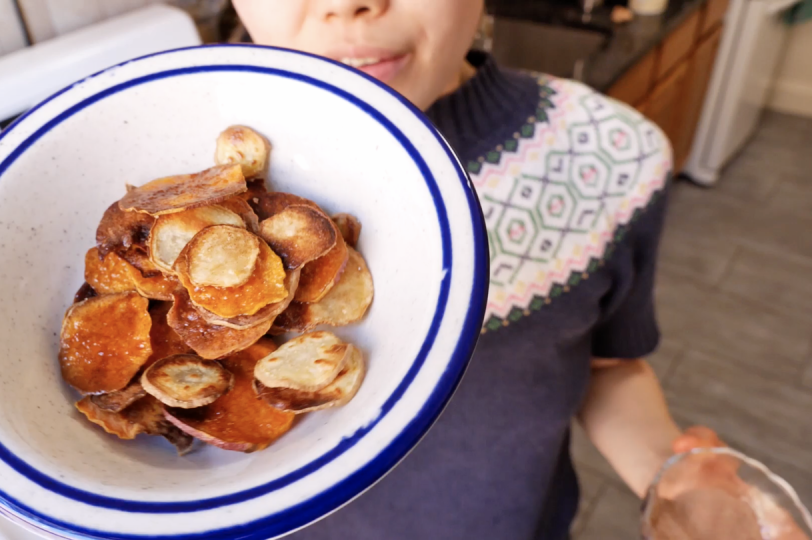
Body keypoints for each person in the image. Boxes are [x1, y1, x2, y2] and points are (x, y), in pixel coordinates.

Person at [229, 1, 728, 538]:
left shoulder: (607, 159)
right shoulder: (189, 190)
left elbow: (609, 369)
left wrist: (665, 467)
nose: (349, 3)